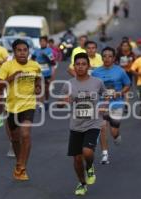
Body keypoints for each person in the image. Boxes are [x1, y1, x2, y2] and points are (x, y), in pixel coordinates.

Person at [59, 52, 106, 196]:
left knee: (87, 151)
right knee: (77, 159)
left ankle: (90, 167)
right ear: (74, 66)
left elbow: (105, 95)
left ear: (88, 66)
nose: (80, 67)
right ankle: (82, 183)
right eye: (77, 64)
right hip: (76, 125)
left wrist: (104, 105)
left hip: (93, 123)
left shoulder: (97, 82)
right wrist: (63, 102)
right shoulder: (69, 84)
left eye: (83, 64)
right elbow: (60, 102)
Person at [0, 39, 42, 180]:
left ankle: (22, 167)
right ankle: (18, 163)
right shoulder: (7, 66)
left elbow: (38, 79)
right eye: (19, 50)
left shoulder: (34, 65)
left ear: (28, 52)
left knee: (25, 134)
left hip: (28, 105)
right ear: (14, 52)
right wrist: (12, 77)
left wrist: (37, 87)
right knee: (15, 139)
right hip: (12, 106)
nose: (22, 53)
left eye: (25, 50)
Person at [92, 47, 131, 164]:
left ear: (114, 58)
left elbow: (128, 84)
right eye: (104, 56)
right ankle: (105, 154)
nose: (107, 58)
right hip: (101, 103)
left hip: (117, 103)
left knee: (114, 131)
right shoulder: (96, 72)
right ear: (102, 57)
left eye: (110, 56)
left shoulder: (120, 71)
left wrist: (121, 92)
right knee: (102, 126)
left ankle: (116, 135)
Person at [32, 36, 55, 111]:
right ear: (39, 42)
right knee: (39, 89)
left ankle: (46, 101)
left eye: (43, 41)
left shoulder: (49, 50)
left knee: (46, 89)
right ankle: (39, 105)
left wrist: (46, 56)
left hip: (47, 73)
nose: (42, 43)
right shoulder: (36, 51)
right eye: (41, 41)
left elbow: (53, 62)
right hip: (38, 73)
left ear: (46, 42)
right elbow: (32, 59)